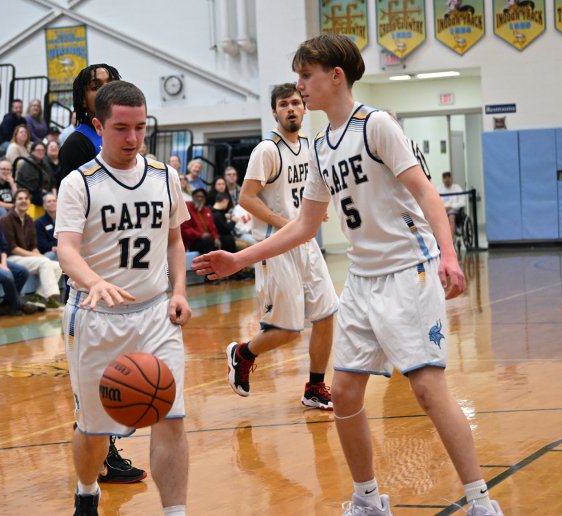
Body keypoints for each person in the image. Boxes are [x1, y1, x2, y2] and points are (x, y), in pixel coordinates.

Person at [192, 34, 502, 516]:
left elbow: (425, 193)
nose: (300, 87)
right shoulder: (319, 148)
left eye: (306, 77)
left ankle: (481, 501)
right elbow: (304, 226)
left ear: (335, 76)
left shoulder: (377, 125)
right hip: (361, 279)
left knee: (426, 389)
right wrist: (239, 258)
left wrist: (449, 255)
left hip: (408, 271)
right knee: (344, 392)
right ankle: (367, 499)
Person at [56, 80, 189, 515]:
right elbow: (67, 250)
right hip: (97, 317)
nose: (133, 138)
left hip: (155, 314)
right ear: (98, 125)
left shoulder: (165, 176)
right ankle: (87, 491)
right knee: (94, 430)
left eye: (140, 127)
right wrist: (92, 280)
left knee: (171, 417)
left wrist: (179, 291)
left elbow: (174, 241)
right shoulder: (80, 184)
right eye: (121, 128)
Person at [225, 82, 338, 411]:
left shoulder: (311, 146)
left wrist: (315, 212)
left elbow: (313, 189)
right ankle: (242, 353)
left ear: (304, 107)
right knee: (288, 331)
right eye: (283, 104)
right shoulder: (267, 150)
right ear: (274, 112)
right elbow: (246, 197)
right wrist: (286, 223)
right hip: (274, 247)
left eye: (295, 103)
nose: (291, 108)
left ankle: (315, 386)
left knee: (327, 314)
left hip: (306, 242)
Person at [0, 188, 63, 309]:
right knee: (44, 262)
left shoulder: (29, 220)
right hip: (10, 258)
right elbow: (13, 248)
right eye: (20, 199)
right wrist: (38, 257)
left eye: (26, 199)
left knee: (57, 266)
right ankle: (52, 298)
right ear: (14, 202)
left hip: (25, 258)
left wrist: (38, 255)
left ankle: (38, 296)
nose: (24, 201)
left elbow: (33, 246)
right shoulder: (6, 220)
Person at [58, 63, 121, 180]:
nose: (107, 90)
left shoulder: (128, 134)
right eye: (96, 87)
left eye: (112, 84)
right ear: (83, 100)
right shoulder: (76, 144)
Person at [181, 188, 220, 254]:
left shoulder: (207, 210)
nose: (199, 198)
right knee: (208, 243)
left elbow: (212, 227)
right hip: (192, 241)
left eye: (202, 196)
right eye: (197, 196)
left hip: (207, 238)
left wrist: (216, 238)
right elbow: (185, 229)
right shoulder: (186, 208)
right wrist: (200, 235)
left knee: (226, 241)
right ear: (193, 197)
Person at [17, 141, 55, 206]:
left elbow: (52, 180)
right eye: (38, 150)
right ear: (32, 151)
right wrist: (48, 193)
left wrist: (54, 193)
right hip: (31, 193)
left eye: (43, 150)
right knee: (50, 200)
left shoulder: (45, 163)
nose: (41, 152)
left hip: (45, 192)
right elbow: (33, 185)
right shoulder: (28, 164)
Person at [438, 171, 465, 237]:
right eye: (445, 178)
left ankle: (451, 240)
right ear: (443, 180)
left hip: (454, 211)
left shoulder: (457, 188)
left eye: (448, 178)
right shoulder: (438, 189)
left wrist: (451, 207)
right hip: (442, 211)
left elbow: (462, 202)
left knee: (451, 218)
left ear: (451, 178)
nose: (447, 180)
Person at [35, 191, 58, 260]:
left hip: (63, 248)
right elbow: (42, 244)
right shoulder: (39, 222)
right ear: (44, 206)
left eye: (54, 201)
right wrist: (54, 247)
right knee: (51, 256)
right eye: (49, 201)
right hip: (49, 252)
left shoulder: (63, 220)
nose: (52, 203)